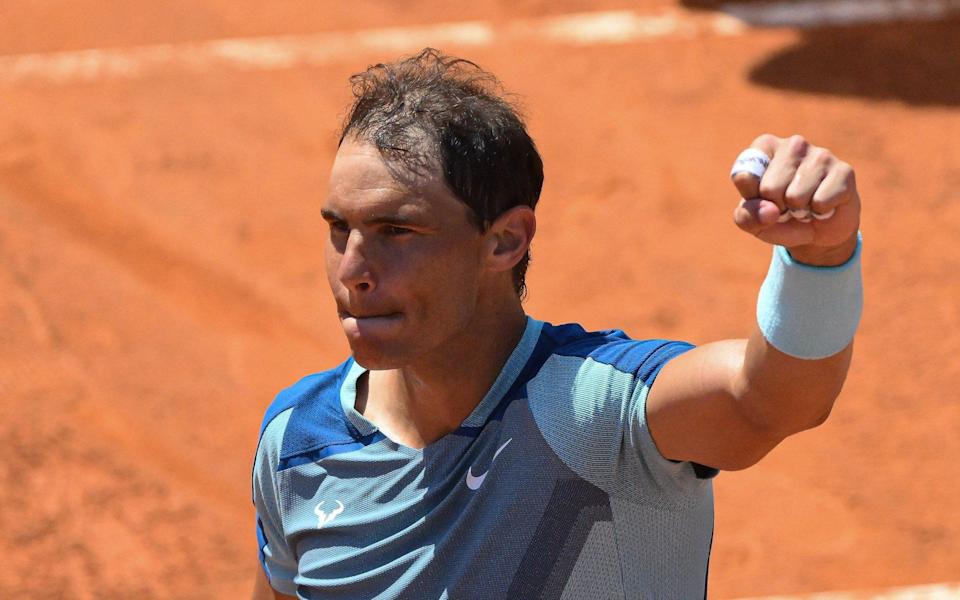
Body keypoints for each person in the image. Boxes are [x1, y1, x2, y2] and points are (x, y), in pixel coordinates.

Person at [251, 48, 863, 600]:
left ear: (505, 241)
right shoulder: (297, 446)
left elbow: (771, 399)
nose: (352, 270)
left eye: (397, 232)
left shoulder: (593, 414)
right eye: (340, 230)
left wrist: (819, 260)